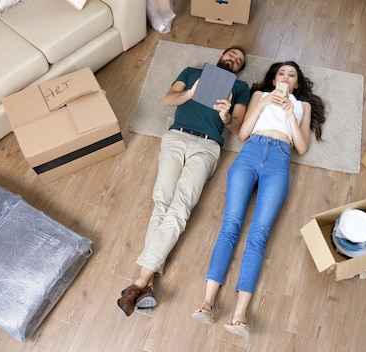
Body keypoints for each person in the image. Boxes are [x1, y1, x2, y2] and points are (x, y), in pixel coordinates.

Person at [191, 61, 326, 337]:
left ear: (296, 84)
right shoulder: (259, 96)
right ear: (273, 79)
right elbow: (242, 134)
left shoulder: (303, 107)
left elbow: (300, 148)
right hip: (251, 152)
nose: (285, 77)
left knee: (259, 235)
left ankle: (239, 315)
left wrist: (290, 114)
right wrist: (264, 104)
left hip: (279, 159)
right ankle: (207, 303)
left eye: (291, 75)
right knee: (230, 227)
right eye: (281, 74)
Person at [117, 46, 251, 317]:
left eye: (238, 62)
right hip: (177, 137)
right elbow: (168, 99)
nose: (234, 61)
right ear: (219, 58)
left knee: (181, 207)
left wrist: (226, 116)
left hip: (207, 146)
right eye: (231, 56)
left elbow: (237, 127)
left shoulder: (240, 87)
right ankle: (148, 284)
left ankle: (139, 283)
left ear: (238, 69)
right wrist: (191, 92)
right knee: (161, 202)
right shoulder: (192, 73)